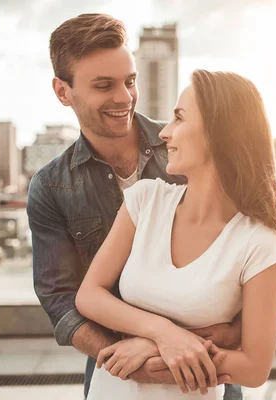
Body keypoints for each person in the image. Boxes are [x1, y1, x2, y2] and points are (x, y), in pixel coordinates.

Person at [27, 14, 246, 399]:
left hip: (206, 370)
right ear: (63, 92)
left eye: (130, 81)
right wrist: (134, 359)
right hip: (119, 376)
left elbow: (256, 261)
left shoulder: (190, 147)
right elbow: (60, 299)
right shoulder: (50, 187)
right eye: (104, 85)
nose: (125, 97)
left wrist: (185, 342)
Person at [75, 69, 276, 399]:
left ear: (218, 131)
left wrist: (149, 349)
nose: (165, 132)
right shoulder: (145, 200)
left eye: (179, 118)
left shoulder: (259, 242)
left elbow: (254, 369)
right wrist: (163, 335)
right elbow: (89, 295)